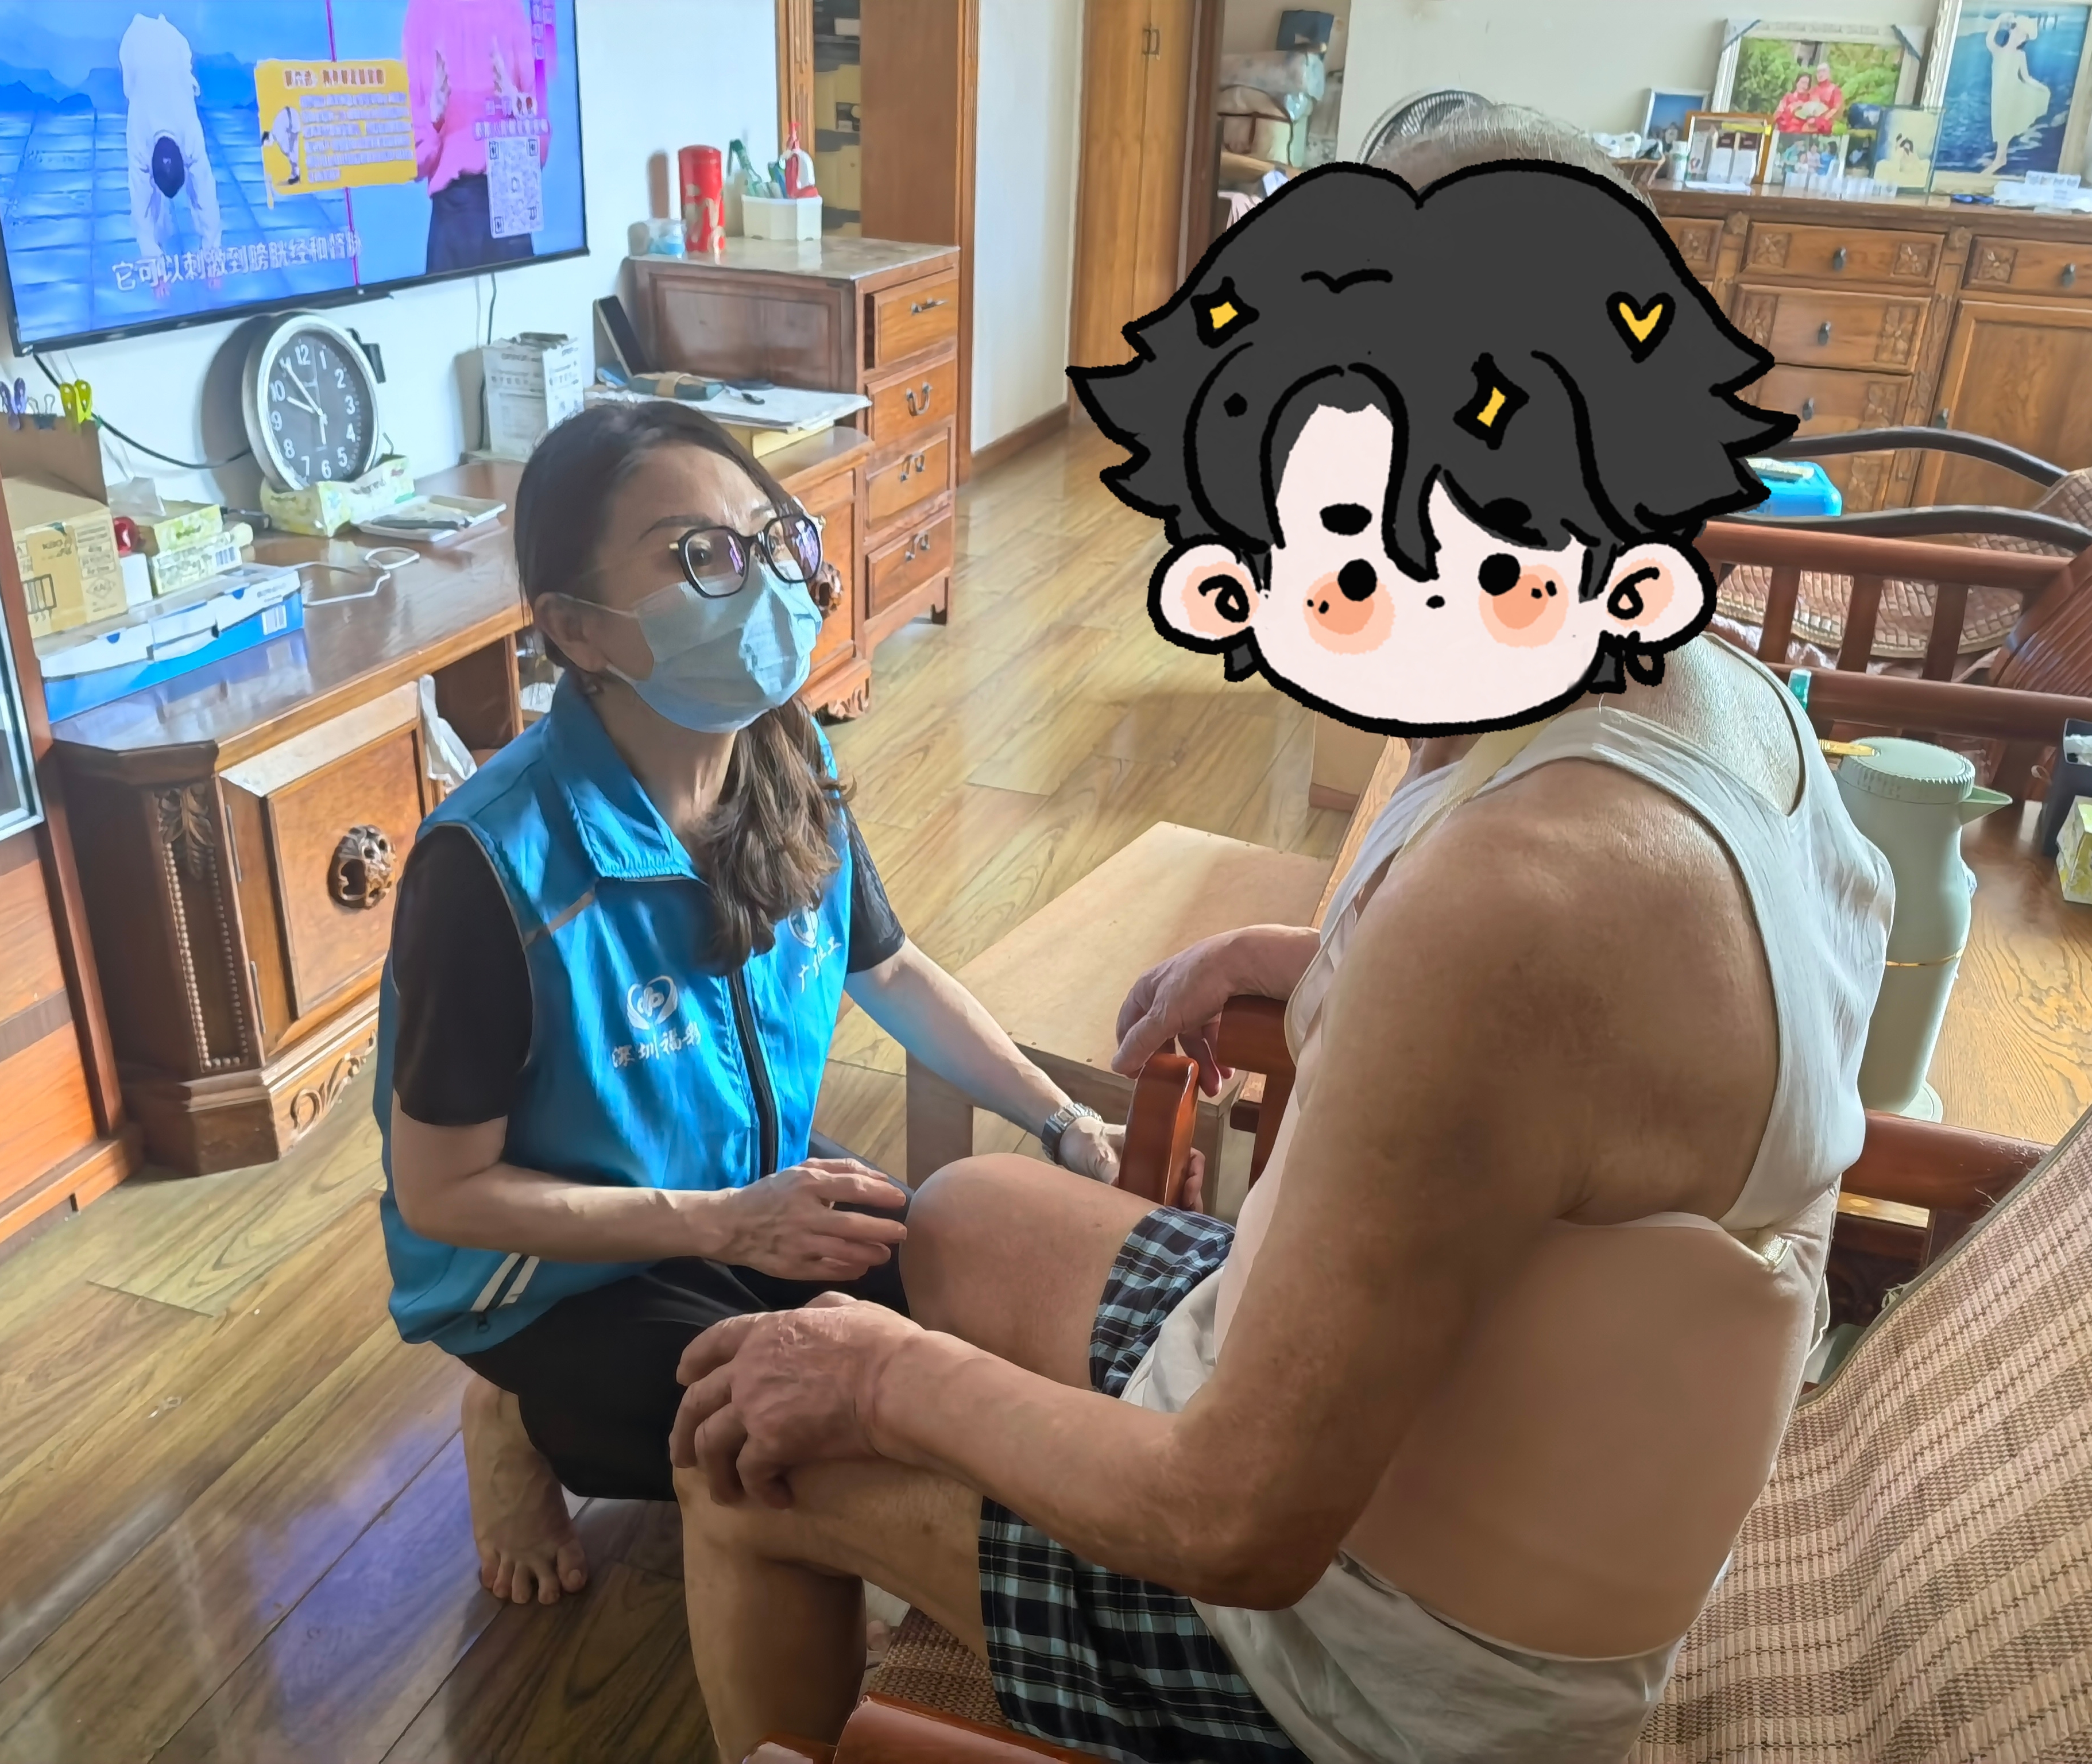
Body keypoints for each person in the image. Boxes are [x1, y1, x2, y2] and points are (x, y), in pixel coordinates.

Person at [663, 110, 1893, 1764]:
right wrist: (1305, 959)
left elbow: (1232, 1520)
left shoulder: (1517, 904)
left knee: (745, 1458)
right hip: (1454, 1426)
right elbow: (1603, 1075)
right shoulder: (1717, 694)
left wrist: (883, 1380)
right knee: (959, 1216)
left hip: (1373, 1668)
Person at [376, 400, 1141, 1607]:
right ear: (576, 627)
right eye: (700, 555)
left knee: (956, 1330)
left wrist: (1064, 1121)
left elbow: (889, 969)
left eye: (771, 537)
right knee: (792, 1441)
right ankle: (516, 1412)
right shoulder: (489, 868)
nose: (768, 580)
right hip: (553, 1268)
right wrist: (723, 1225)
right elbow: (442, 1195)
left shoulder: (787, 758)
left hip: (750, 1182)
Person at [404, 0, 547, 273]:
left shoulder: (510, 8)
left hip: (511, 191)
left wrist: (515, 103)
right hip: (453, 208)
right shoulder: (423, 10)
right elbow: (410, 158)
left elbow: (541, 141)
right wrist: (434, 117)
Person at [119, 12, 222, 284]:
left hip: (172, 43)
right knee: (149, 205)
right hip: (135, 46)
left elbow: (206, 197)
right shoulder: (139, 137)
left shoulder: (190, 135)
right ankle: (160, 241)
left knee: (198, 189)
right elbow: (141, 209)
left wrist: (212, 259)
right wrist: (155, 270)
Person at [1982, 14, 2054, 173]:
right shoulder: (1998, 51)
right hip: (1999, 95)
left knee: (2004, 126)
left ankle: (1999, 160)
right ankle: (2001, 158)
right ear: (2011, 30)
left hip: (2012, 94)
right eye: (2019, 32)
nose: (2020, 37)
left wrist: (2042, 88)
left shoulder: (2020, 56)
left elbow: (2026, 78)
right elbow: (1989, 39)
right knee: (1999, 125)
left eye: (2024, 36)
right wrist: (1999, 19)